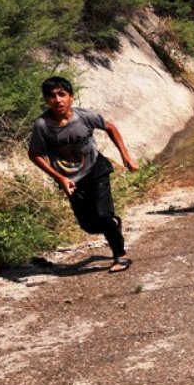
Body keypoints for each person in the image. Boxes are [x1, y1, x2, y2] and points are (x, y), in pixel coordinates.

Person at [28, 76, 138, 273]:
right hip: (71, 180)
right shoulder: (43, 126)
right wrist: (60, 178)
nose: (58, 100)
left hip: (96, 169)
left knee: (103, 214)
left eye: (62, 94)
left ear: (71, 97)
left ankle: (120, 256)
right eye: (52, 96)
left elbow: (110, 127)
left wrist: (126, 156)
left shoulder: (84, 117)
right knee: (89, 226)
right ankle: (113, 225)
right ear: (46, 100)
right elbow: (34, 154)